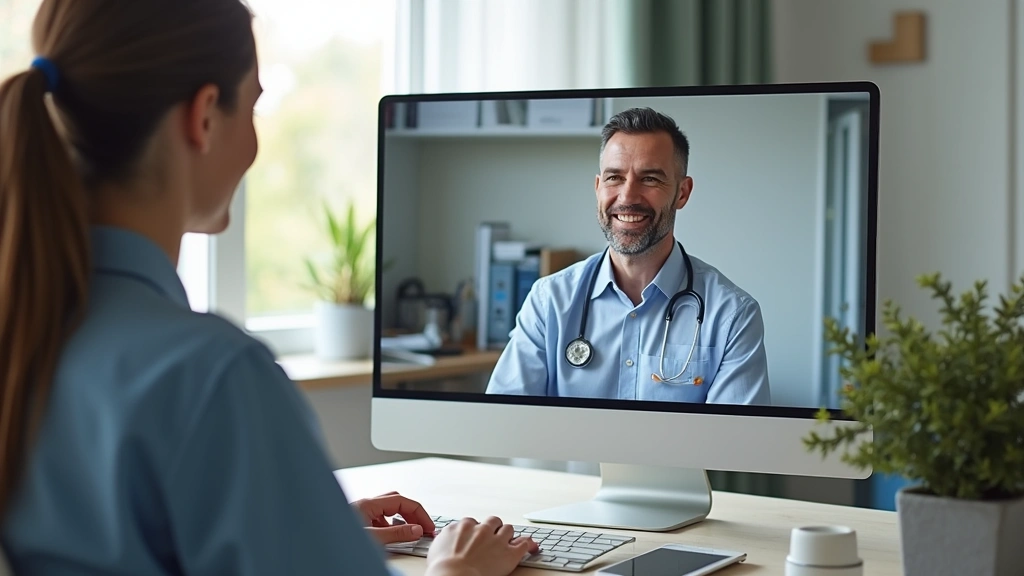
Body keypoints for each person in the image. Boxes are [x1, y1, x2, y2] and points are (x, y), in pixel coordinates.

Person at [0, 1, 536, 574]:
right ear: (203, 116)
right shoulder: (210, 375)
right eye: (252, 105)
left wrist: (300, 526)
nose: (254, 143)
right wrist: (458, 570)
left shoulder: (26, 332)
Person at [486, 107, 771, 405]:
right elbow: (506, 424)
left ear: (682, 193)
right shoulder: (549, 302)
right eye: (614, 178)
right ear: (598, 188)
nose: (627, 197)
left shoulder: (732, 316)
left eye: (650, 179)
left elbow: (730, 446)